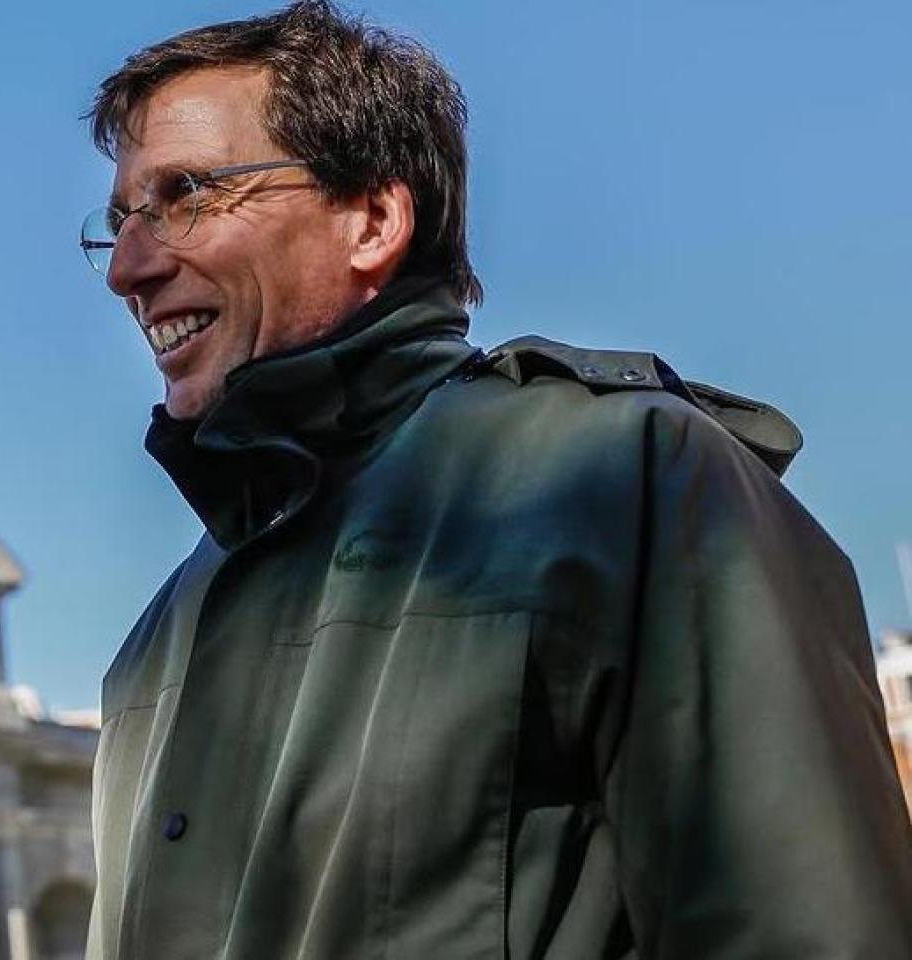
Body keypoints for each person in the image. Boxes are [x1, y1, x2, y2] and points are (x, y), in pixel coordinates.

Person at [76, 2, 912, 957]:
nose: (128, 268)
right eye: (120, 221)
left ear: (373, 220)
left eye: (187, 194)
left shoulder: (628, 481)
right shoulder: (157, 635)